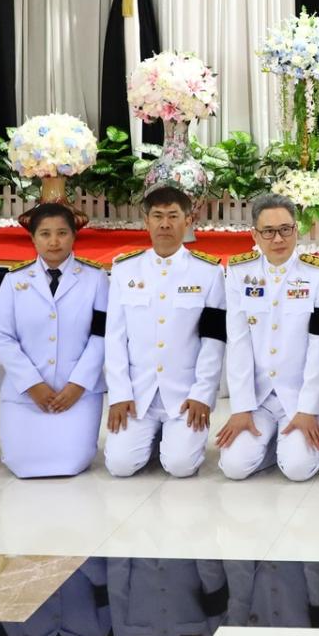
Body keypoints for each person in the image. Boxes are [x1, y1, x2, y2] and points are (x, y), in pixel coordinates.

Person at [216, 194, 319, 484]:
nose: (278, 239)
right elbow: (238, 342)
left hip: (299, 396)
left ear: (297, 230)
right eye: (269, 231)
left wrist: (309, 409)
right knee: (234, 467)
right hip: (258, 397)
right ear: (255, 235)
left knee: (297, 469)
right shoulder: (239, 272)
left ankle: (287, 445)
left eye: (286, 229)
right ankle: (274, 444)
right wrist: (241, 407)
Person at [103, 187, 226, 478]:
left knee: (181, 466)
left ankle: (169, 437)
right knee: (120, 465)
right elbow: (115, 337)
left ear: (188, 220)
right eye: (157, 216)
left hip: (185, 393)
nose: (165, 224)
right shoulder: (125, 269)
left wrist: (203, 394)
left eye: (173, 216)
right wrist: (119, 393)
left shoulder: (208, 272)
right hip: (138, 393)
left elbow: (213, 340)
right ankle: (154, 435)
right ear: (146, 221)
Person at [0, 203, 109, 479]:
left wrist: (77, 384)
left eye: (62, 233)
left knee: (73, 460)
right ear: (33, 239)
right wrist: (33, 384)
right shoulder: (14, 280)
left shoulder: (95, 279)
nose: (54, 241)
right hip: (26, 393)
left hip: (78, 393)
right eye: (45, 234)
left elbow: (102, 335)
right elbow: (3, 337)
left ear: (74, 236)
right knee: (19, 461)